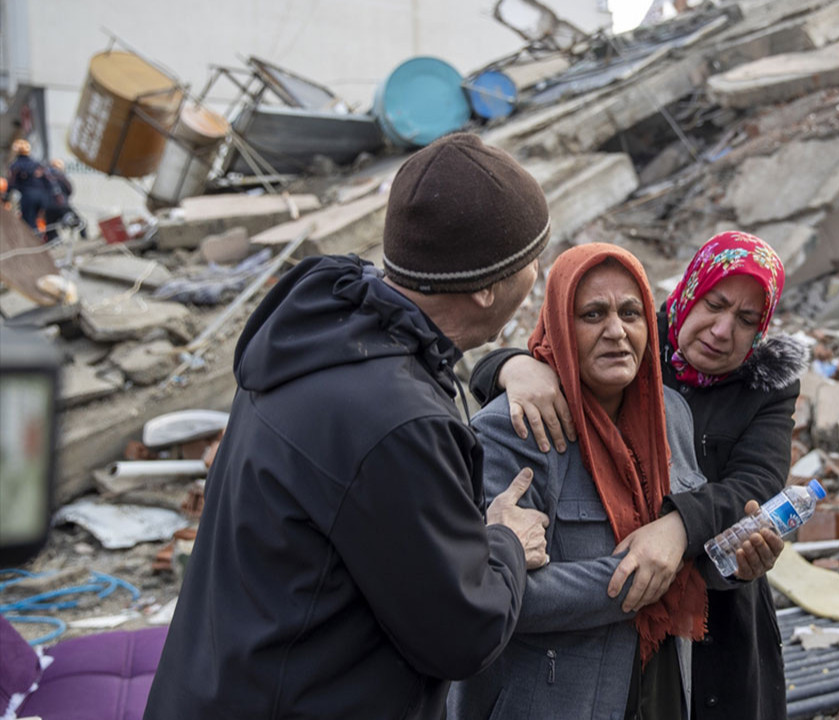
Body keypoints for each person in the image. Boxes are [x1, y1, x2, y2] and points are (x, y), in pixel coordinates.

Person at [144, 133, 554, 720]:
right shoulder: (397, 422)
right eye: (529, 261)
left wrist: (506, 364)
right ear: (487, 287)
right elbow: (463, 632)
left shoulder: (320, 331)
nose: (536, 275)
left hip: (218, 685)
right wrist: (505, 540)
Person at [471, 231, 807, 720]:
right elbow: (489, 587)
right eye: (713, 304)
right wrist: (511, 366)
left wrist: (722, 558)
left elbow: (754, 488)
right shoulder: (526, 422)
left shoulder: (669, 413)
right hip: (560, 688)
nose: (720, 330)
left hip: (683, 661)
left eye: (747, 320)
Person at [4, 139, 50, 234]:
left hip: (29, 197)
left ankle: (34, 244)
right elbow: (47, 180)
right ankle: (44, 240)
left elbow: (11, 183)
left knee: (29, 223)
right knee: (44, 221)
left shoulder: (16, 166)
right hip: (43, 196)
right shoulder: (37, 164)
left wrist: (6, 198)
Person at [42, 158, 81, 240]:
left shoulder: (45, 176)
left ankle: (54, 242)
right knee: (79, 222)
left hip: (49, 206)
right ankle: (84, 238)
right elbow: (69, 189)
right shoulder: (62, 177)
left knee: (50, 227)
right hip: (62, 205)